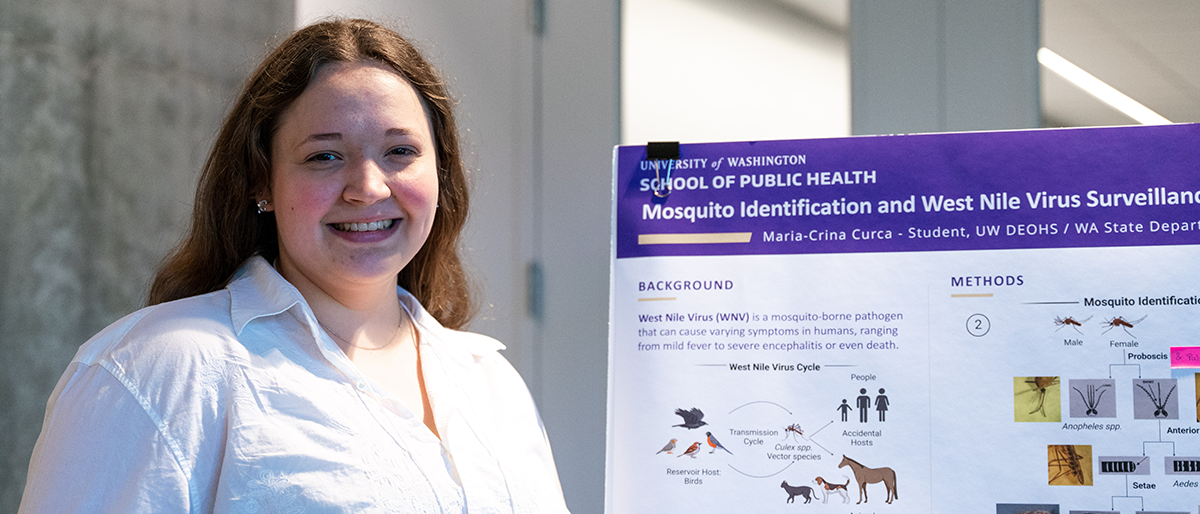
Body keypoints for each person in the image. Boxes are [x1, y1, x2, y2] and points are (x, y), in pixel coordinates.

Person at [20, 19, 569, 513]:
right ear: (263, 181)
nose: (368, 188)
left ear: (441, 172)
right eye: (324, 156)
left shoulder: (491, 382)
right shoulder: (158, 369)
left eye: (400, 151)